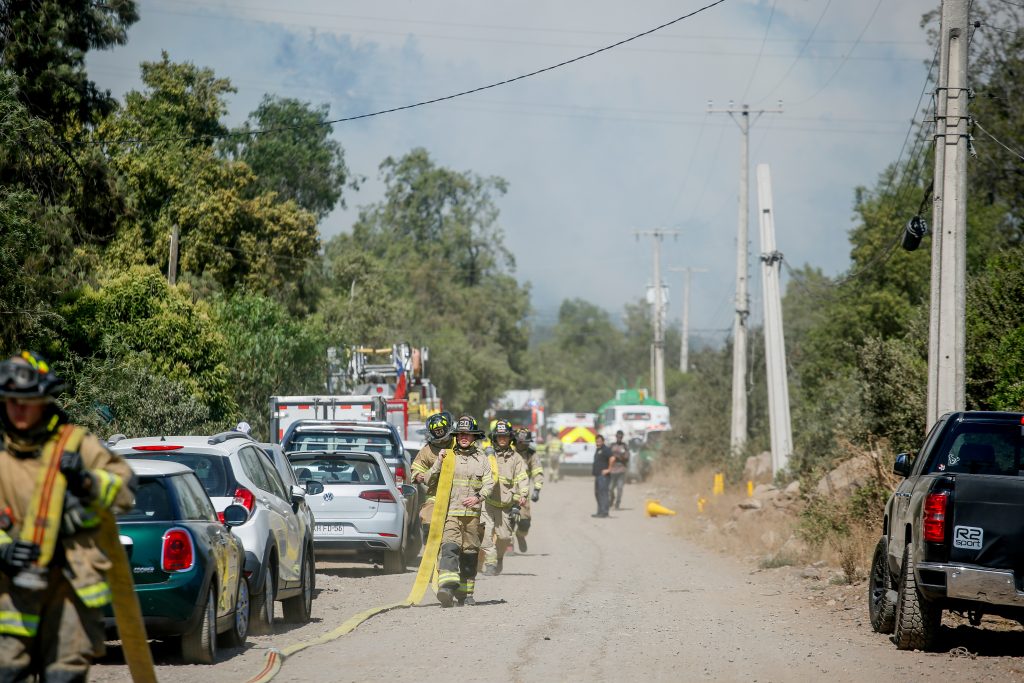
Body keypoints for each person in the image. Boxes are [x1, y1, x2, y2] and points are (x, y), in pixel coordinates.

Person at [0, 352, 136, 681]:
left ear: (44, 399)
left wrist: (87, 481)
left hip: (72, 591)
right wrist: (4, 549)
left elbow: (125, 489)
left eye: (27, 401)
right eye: (12, 401)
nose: (19, 409)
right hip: (13, 595)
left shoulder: (76, 444)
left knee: (64, 675)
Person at [425, 414, 493, 607]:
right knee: (449, 549)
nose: (464, 437)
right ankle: (446, 589)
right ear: (456, 436)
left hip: (472, 517)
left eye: (467, 434)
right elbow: (429, 480)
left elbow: (489, 483)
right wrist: (438, 462)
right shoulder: (447, 456)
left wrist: (478, 497)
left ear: (474, 437)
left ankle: (466, 594)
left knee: (469, 555)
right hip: (451, 514)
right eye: (460, 434)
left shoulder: (482, 459)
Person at [480, 420, 529, 576]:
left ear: (510, 438)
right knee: (486, 535)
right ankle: (490, 564)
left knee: (505, 537)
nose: (502, 439)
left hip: (505, 506)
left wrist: (523, 494)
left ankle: (499, 557)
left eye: (505, 436)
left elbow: (522, 477)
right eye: (499, 436)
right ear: (494, 437)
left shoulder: (516, 458)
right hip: (487, 504)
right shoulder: (487, 455)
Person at [410, 411, 454, 541]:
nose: (442, 439)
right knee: (428, 522)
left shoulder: (458, 445)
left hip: (457, 496)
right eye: (437, 433)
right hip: (435, 496)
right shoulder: (426, 451)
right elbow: (416, 473)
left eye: (442, 432)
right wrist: (420, 476)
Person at [512, 428, 543, 552]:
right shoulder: (509, 452)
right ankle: (508, 545)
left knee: (525, 522)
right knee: (508, 520)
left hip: (523, 494)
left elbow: (537, 471)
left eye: (526, 442)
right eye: (520, 442)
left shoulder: (531, 454)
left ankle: (520, 535)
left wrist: (537, 489)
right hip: (506, 492)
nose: (523, 445)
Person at [608, 430, 631, 510]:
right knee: (610, 488)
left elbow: (627, 457)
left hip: (621, 470)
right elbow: (607, 455)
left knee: (620, 488)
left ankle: (617, 504)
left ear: (622, 437)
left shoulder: (625, 446)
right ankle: (611, 499)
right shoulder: (612, 446)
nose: (619, 438)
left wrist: (620, 457)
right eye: (618, 436)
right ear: (616, 436)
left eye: (620, 437)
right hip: (612, 470)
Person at [592, 434, 612, 518]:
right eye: (597, 441)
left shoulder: (606, 449)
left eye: (599, 441)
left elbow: (612, 458)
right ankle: (600, 511)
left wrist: (609, 469)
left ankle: (604, 512)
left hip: (603, 476)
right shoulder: (598, 449)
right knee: (597, 493)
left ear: (603, 441)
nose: (598, 442)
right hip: (598, 475)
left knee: (603, 494)